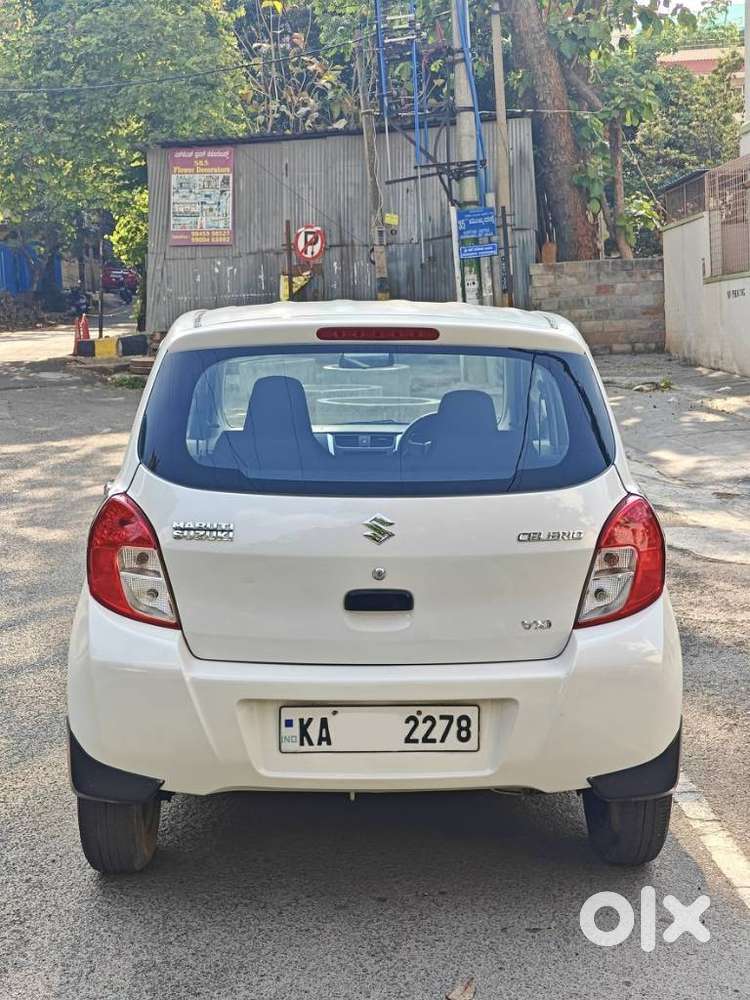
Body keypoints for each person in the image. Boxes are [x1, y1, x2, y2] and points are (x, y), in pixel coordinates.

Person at [70, 282, 90, 348]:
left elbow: (86, 303)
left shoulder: (82, 296)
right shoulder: (74, 296)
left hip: (81, 309)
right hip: (79, 309)